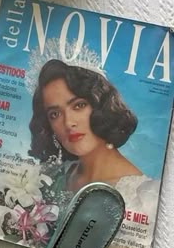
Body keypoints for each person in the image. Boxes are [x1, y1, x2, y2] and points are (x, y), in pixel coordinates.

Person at [28, 58, 145, 190]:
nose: (68, 123)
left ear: (101, 105)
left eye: (79, 105)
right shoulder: (55, 176)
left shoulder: (141, 193)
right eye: (55, 114)